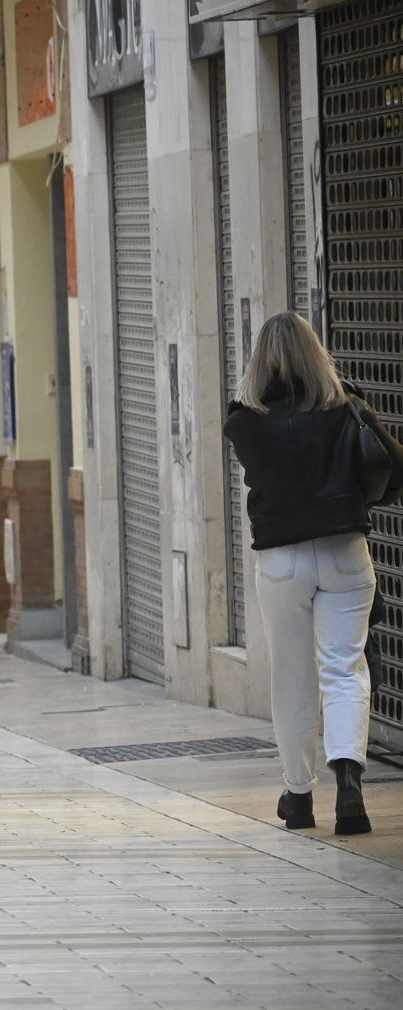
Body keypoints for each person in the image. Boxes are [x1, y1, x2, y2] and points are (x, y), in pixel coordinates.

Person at [224, 312, 403, 837]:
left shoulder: (243, 421)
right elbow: (387, 463)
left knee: (292, 674)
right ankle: (349, 785)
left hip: (282, 560)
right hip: (345, 549)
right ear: (315, 351)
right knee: (345, 669)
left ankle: (299, 796)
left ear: (260, 358)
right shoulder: (346, 406)